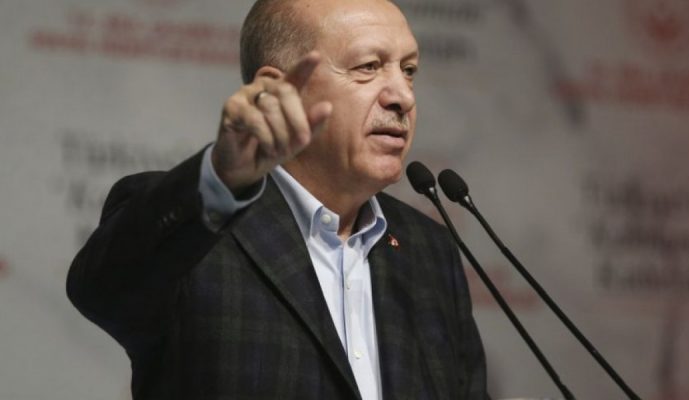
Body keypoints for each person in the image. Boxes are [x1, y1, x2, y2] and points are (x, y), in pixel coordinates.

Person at [66, 0, 488, 398]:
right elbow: (102, 291)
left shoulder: (429, 249)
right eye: (368, 66)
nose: (404, 96)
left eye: (409, 70)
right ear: (276, 91)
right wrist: (219, 180)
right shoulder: (197, 231)